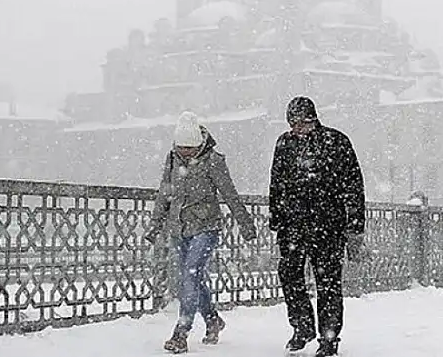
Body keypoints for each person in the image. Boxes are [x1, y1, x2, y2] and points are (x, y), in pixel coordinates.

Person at [145, 111, 257, 354]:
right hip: (179, 227)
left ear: (199, 144)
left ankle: (181, 332)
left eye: (189, 148)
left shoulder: (214, 161)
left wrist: (246, 224)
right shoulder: (172, 159)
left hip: (206, 227)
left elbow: (229, 193)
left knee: (190, 275)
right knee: (192, 279)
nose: (184, 152)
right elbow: (165, 193)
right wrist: (155, 225)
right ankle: (213, 319)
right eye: (181, 147)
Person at [269, 96, 366, 357]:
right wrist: (276, 216)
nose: (297, 128)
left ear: (313, 119)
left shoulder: (336, 141)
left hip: (328, 225)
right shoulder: (284, 144)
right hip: (293, 225)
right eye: (293, 123)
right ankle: (302, 326)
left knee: (329, 283)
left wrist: (355, 224)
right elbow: (277, 182)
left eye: (302, 123)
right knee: (290, 275)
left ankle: (329, 337)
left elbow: (353, 185)